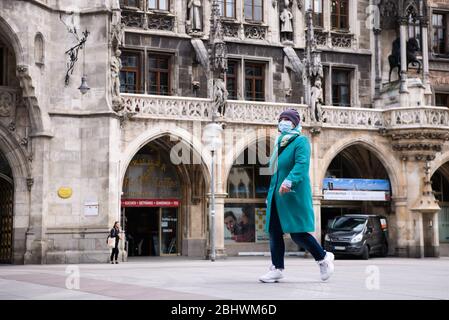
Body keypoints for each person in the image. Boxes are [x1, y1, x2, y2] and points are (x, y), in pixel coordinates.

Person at [259, 108, 335, 283]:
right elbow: (275, 172)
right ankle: (277, 268)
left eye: (288, 119)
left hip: (293, 194)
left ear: (295, 123)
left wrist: (289, 181)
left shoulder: (301, 141)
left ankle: (323, 259)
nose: (284, 122)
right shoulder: (279, 143)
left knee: (298, 233)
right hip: (277, 196)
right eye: (282, 119)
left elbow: (301, 164)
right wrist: (269, 195)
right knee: (274, 231)